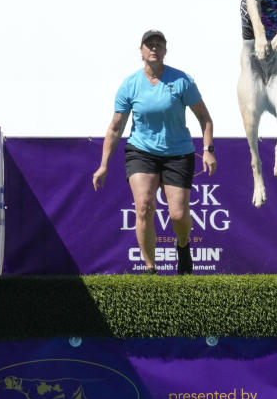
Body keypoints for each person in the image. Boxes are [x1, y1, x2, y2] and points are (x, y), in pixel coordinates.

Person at [92, 30, 216, 275]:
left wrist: (208, 150)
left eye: (159, 44)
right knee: (144, 206)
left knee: (179, 215)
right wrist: (104, 164)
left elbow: (205, 118)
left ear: (165, 51)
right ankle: (150, 269)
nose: (154, 48)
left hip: (178, 153)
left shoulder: (182, 81)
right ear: (141, 50)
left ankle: (183, 246)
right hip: (142, 152)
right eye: (149, 44)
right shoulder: (130, 85)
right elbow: (116, 128)